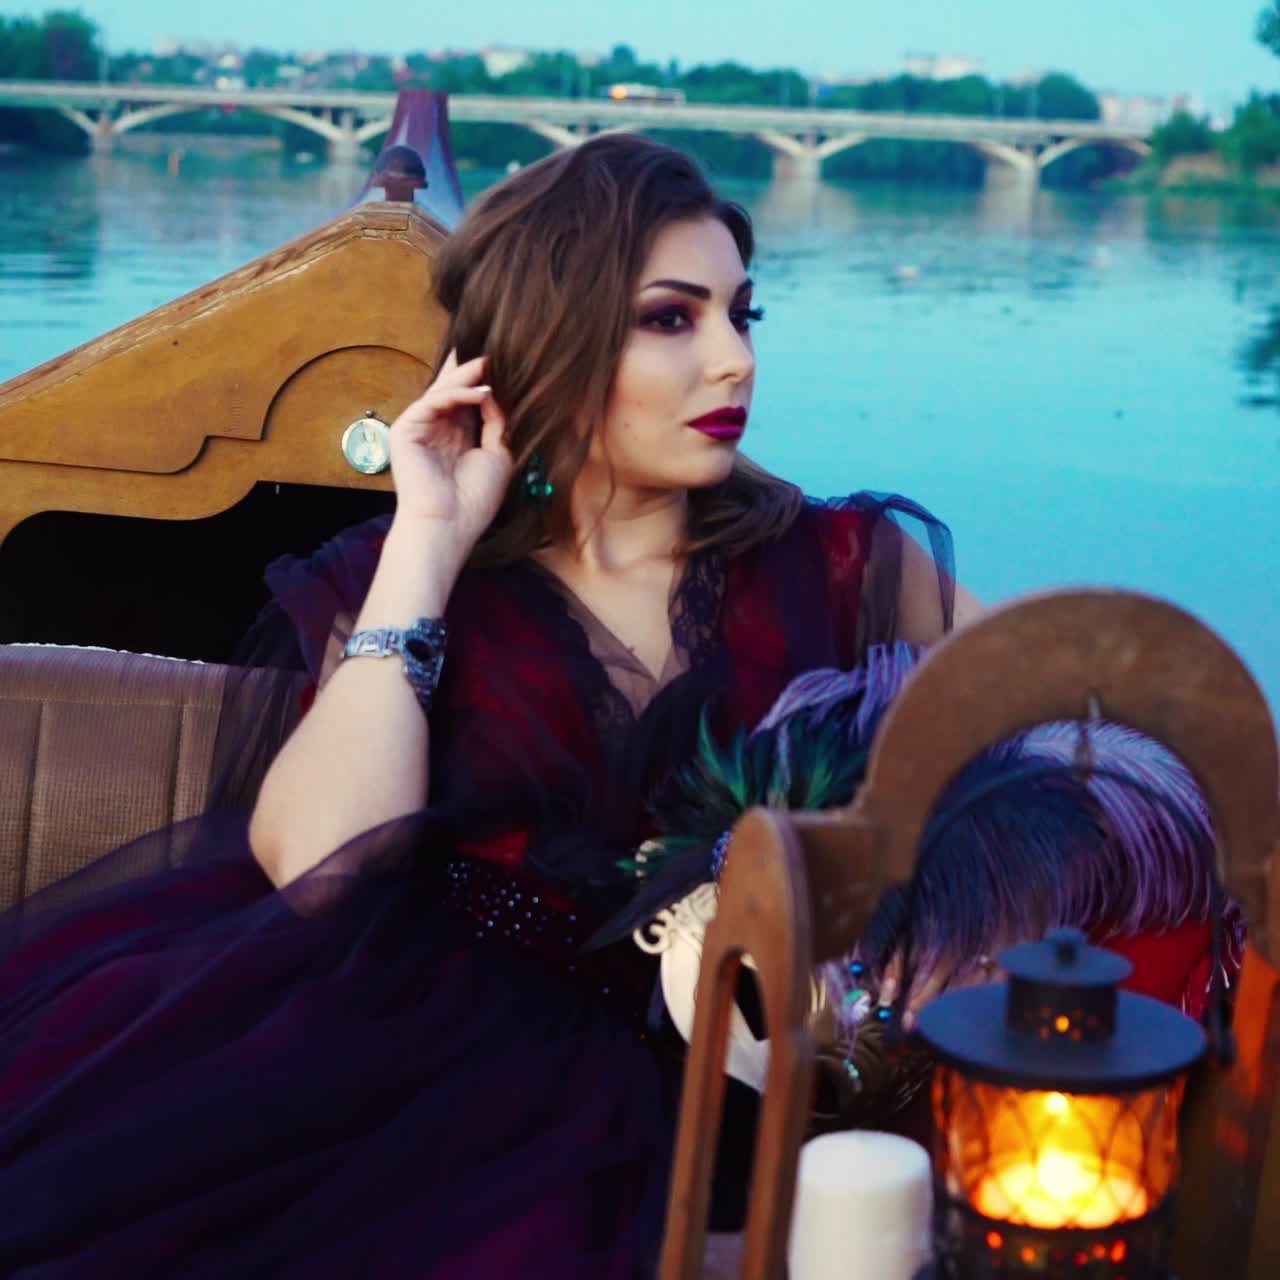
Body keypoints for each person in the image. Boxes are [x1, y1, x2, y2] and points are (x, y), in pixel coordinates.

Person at [0, 134, 1222, 1279]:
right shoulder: (410, 578)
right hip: (447, 1071)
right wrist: (427, 541)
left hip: (783, 1056)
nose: (734, 357)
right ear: (549, 336)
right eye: (670, 320)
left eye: (741, 314)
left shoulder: (845, 560)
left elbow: (1090, 725)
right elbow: (321, 868)